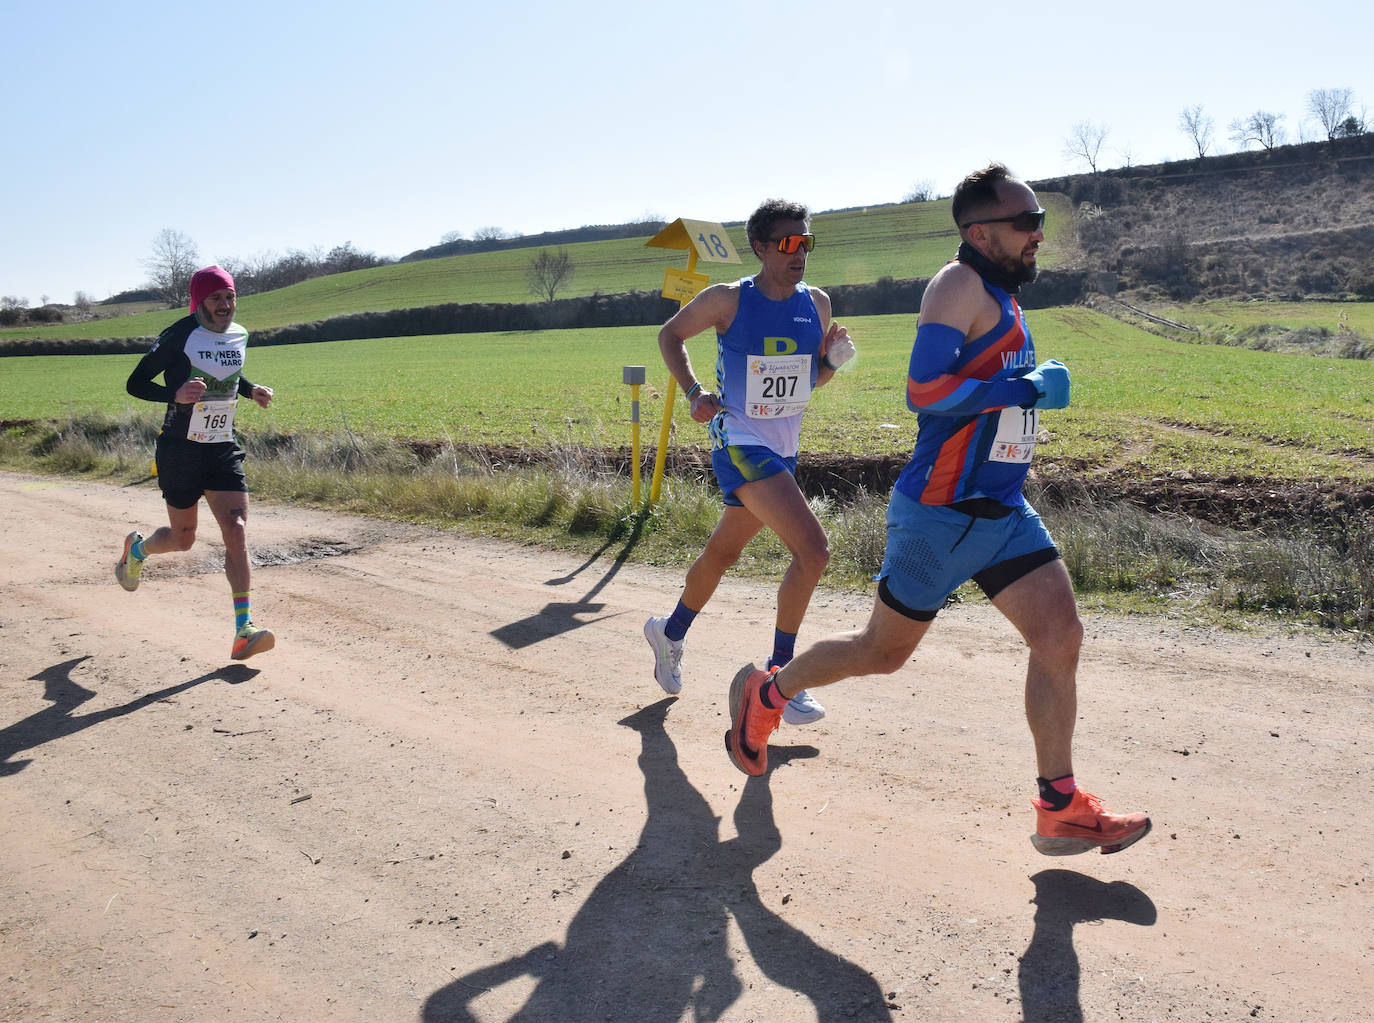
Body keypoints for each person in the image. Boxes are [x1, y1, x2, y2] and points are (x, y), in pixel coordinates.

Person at [722, 166, 1151, 857]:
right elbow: (925, 391)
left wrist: (1023, 390)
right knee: (880, 653)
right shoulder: (957, 285)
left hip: (1004, 511)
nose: (1039, 232)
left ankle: (1059, 805)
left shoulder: (1006, 298)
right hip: (940, 515)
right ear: (981, 232)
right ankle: (769, 694)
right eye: (1027, 221)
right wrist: (1022, 385)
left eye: (1040, 219)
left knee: (1060, 634)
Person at [644, 198, 857, 725]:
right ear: (760, 247)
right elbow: (669, 335)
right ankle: (780, 680)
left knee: (722, 553)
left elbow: (810, 381)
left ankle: (668, 633)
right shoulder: (727, 299)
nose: (798, 251)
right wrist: (695, 392)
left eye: (805, 241)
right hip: (739, 441)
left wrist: (831, 362)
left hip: (782, 447)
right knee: (814, 551)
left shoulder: (819, 304)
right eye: (787, 242)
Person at [114, 265, 277, 662]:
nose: (225, 305)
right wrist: (175, 394)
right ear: (200, 301)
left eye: (230, 297)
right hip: (180, 450)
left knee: (236, 530)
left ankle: (244, 629)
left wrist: (250, 388)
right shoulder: (178, 335)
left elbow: (225, 371)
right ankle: (136, 552)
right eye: (217, 298)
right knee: (182, 538)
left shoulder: (238, 334)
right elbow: (135, 383)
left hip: (221, 446)